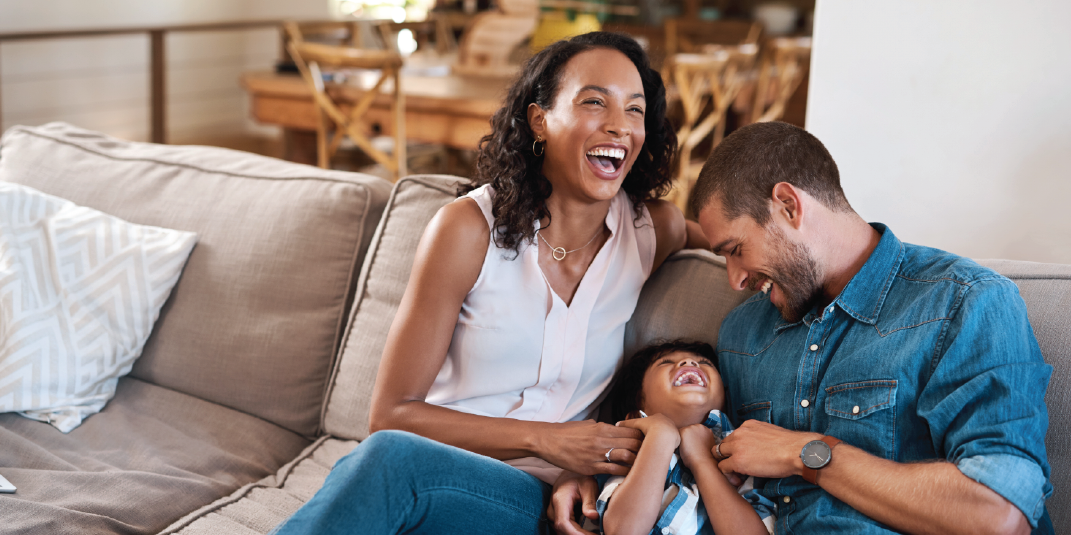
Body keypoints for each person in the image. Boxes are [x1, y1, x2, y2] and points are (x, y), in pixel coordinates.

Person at [269, 31, 709, 534]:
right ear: (540, 120)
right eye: (593, 102)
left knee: (386, 467)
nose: (619, 126)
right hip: (442, 473)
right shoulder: (467, 230)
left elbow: (731, 239)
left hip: (542, 504)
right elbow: (391, 416)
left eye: (635, 110)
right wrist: (550, 441)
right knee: (387, 460)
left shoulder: (650, 233)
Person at [549, 121, 1054, 534]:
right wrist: (586, 474)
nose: (735, 278)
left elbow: (998, 514)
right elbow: (687, 434)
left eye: (734, 249)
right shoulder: (745, 334)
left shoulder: (964, 302)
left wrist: (804, 454)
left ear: (789, 205)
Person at [593, 339, 773, 535]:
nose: (689, 362)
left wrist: (702, 460)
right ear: (637, 411)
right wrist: (660, 437)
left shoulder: (741, 450)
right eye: (666, 362)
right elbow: (623, 531)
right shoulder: (630, 453)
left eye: (705, 363)